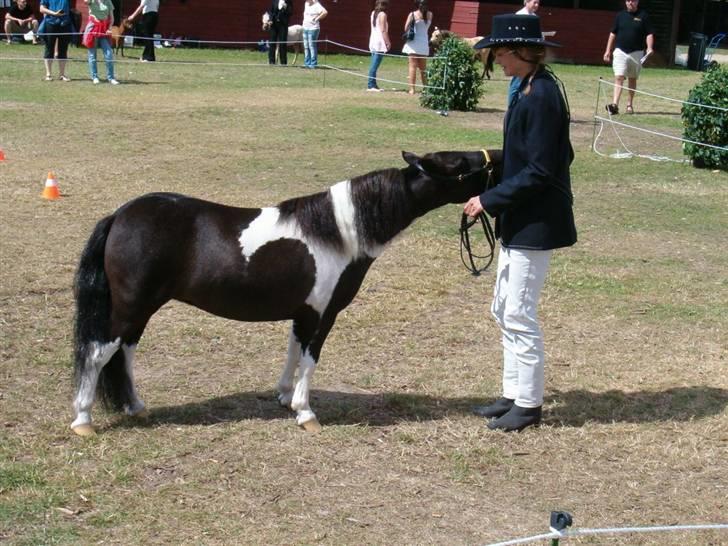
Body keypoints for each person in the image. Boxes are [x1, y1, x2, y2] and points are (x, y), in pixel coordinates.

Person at [465, 14, 577, 432]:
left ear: (518, 52)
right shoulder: (527, 89)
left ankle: (528, 405)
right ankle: (512, 395)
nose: (496, 59)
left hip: (536, 222)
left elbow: (543, 170)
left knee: (520, 313)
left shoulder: (543, 96)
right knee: (503, 308)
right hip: (520, 218)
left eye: (499, 52)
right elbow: (548, 157)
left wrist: (489, 199)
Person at [603, 0, 654, 115]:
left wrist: (649, 47)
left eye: (633, 0)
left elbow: (649, 33)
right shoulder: (620, 15)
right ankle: (614, 105)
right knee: (619, 77)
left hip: (637, 52)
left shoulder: (644, 16)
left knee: (632, 78)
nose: (630, 3)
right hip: (620, 51)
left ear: (637, 2)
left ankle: (629, 105)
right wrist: (607, 51)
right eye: (628, 0)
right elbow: (612, 33)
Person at [506, 0, 540, 107]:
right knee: (517, 81)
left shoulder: (534, 17)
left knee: (526, 81)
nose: (537, 5)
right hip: (520, 54)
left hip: (530, 54)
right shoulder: (520, 15)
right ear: (526, 2)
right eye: (534, 2)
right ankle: (512, 106)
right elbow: (515, 35)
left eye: (538, 3)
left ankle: (521, 105)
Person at [82, 0, 118, 84]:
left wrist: (109, 28)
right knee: (92, 54)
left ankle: (111, 77)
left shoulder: (108, 2)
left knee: (109, 54)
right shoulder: (92, 1)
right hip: (93, 28)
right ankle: (94, 77)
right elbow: (85, 1)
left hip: (104, 29)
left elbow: (112, 18)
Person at [402, 0, 432, 95]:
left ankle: (412, 89)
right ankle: (425, 88)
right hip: (423, 43)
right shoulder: (430, 14)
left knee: (412, 67)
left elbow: (406, 28)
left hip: (414, 42)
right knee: (423, 68)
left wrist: (412, 20)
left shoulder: (412, 14)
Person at [39, 0, 72, 81]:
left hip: (65, 23)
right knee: (49, 49)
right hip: (50, 23)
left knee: (63, 49)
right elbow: (42, 9)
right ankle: (48, 74)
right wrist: (54, 13)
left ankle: (62, 74)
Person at [367, 0, 390, 92]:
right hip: (379, 41)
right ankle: (370, 85)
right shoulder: (383, 15)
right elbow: (383, 30)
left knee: (374, 63)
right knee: (374, 65)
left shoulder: (373, 13)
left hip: (373, 40)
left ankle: (374, 84)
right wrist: (388, 42)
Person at [302, 0, 326, 69]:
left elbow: (325, 12)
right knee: (306, 46)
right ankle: (307, 63)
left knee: (311, 46)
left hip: (313, 28)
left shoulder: (317, 4)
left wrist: (317, 18)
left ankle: (313, 63)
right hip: (305, 28)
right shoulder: (306, 4)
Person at [268, 0, 292, 65]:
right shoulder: (274, 1)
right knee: (272, 43)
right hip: (274, 24)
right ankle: (271, 61)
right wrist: (270, 20)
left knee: (283, 44)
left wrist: (286, 7)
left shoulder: (288, 1)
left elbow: (290, 13)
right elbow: (270, 11)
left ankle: (283, 62)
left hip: (283, 25)